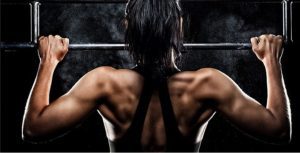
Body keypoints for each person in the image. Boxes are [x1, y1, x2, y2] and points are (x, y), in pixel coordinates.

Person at [22, 0, 291, 151]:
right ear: (179, 26)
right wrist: (271, 62)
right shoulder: (207, 85)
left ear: (129, 28)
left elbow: (34, 128)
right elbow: (278, 129)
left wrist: (48, 62)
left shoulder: (104, 83)